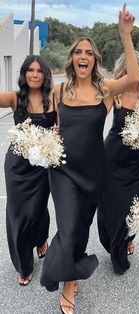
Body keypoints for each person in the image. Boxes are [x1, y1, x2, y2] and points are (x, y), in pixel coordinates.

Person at [40, 4, 139, 314]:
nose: (83, 56)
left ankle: (72, 275)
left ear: (95, 60)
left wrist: (125, 35)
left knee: (80, 227)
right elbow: (54, 124)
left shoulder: (105, 91)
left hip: (94, 172)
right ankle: (68, 282)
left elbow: (134, 76)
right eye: (78, 52)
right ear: (71, 58)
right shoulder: (60, 90)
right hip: (63, 171)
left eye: (89, 52)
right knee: (69, 226)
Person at [97, 51, 139, 275]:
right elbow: (95, 119)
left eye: (132, 70)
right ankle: (115, 242)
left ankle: (125, 241)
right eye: (125, 71)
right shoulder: (115, 91)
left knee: (131, 208)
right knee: (108, 206)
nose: (128, 75)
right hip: (111, 158)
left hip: (135, 164)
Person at [0, 55, 56, 286]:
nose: (34, 74)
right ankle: (24, 265)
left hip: (42, 167)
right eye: (29, 70)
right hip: (17, 167)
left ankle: (41, 239)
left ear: (45, 74)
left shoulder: (53, 99)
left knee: (37, 209)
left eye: (39, 70)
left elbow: (64, 124)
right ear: (23, 74)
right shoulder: (15, 98)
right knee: (18, 214)